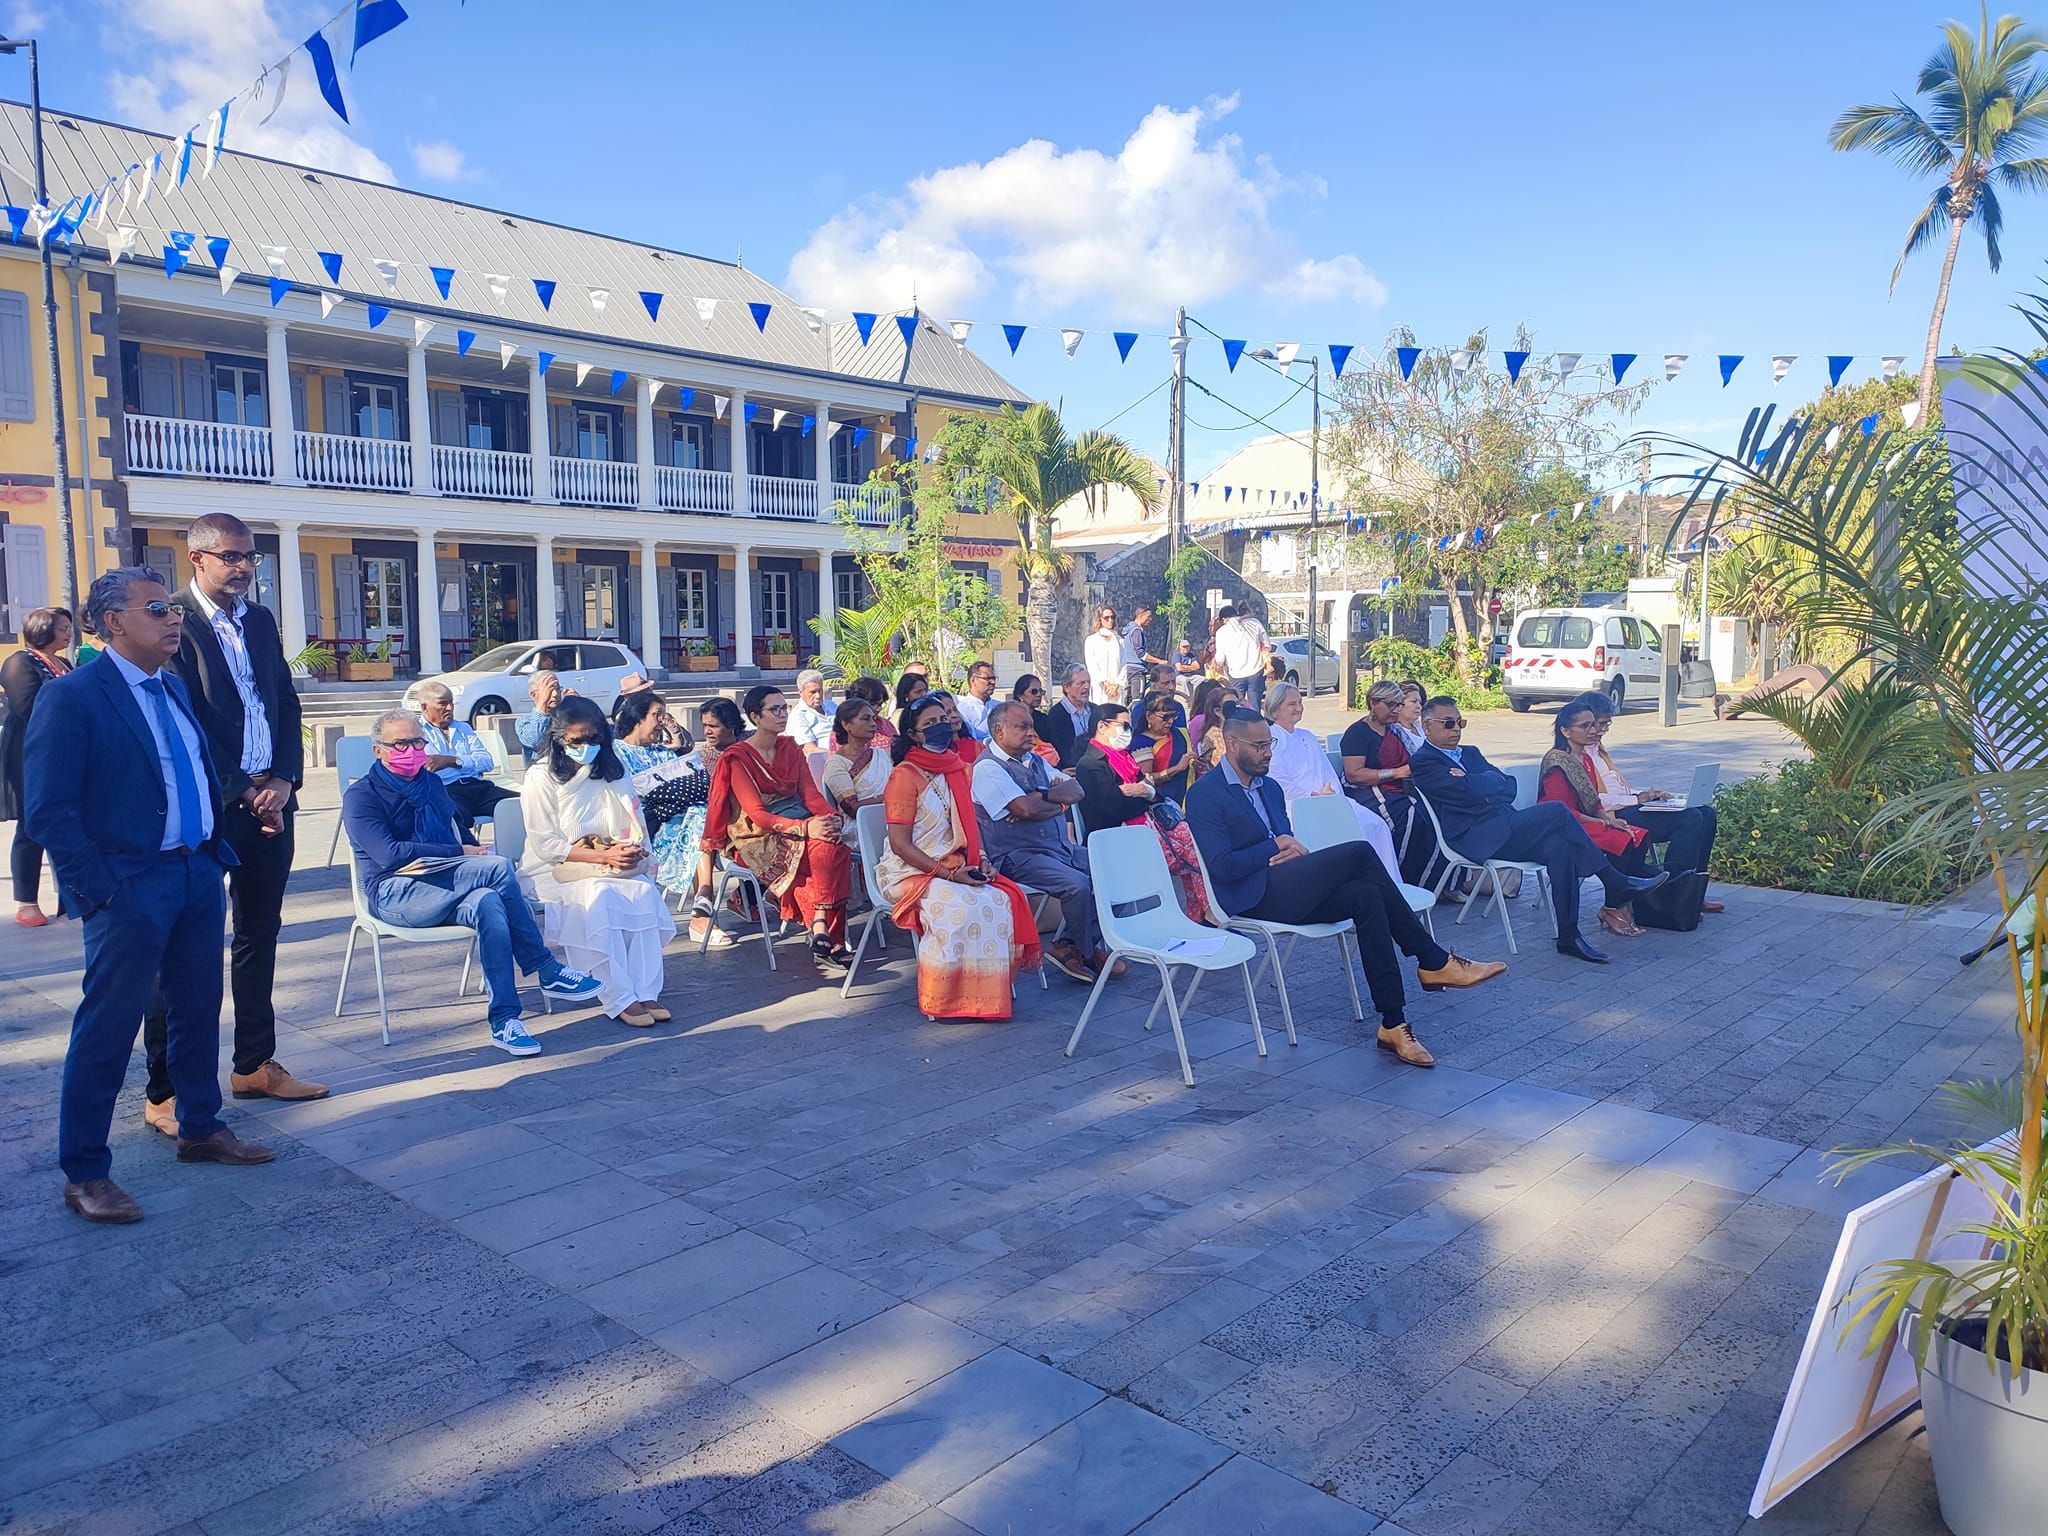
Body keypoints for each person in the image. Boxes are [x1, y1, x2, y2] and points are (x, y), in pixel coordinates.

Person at [25, 568, 274, 1222]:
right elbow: (48, 811)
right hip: (130, 885)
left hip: (196, 875)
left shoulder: (172, 685)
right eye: (158, 608)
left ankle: (201, 1126)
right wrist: (103, 890)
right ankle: (85, 1173)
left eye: (173, 608)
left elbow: (194, 765)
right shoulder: (74, 697)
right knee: (107, 1028)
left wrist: (236, 808)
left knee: (196, 1009)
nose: (175, 619)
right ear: (113, 622)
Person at [1187, 708, 1505, 1068]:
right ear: (1231, 744)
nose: (1269, 753)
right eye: (1259, 746)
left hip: (1285, 883)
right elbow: (1223, 867)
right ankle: (1432, 960)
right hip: (1250, 897)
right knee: (1358, 853)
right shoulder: (1205, 795)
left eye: (1270, 744)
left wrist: (1287, 848)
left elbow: (1287, 842)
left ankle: (1393, 1024)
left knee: (1367, 896)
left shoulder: (1270, 788)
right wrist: (1274, 847)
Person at [143, 514, 324, 1136]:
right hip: (210, 806)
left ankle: (254, 1063)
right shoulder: (173, 622)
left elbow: (283, 699)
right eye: (232, 557)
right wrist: (245, 790)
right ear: (198, 559)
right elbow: (185, 720)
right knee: (181, 948)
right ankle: (163, 1089)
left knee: (260, 931)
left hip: (269, 800)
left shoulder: (260, 619)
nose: (245, 568)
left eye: (251, 558)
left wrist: (283, 780)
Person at [344, 709, 602, 1055]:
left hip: (445, 881)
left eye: (417, 741)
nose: (412, 750)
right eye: (401, 744)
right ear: (379, 750)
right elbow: (389, 855)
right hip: (395, 893)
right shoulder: (362, 795)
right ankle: (544, 967)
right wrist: (460, 851)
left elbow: (457, 828)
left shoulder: (432, 783)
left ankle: (505, 1021)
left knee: (488, 903)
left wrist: (470, 851)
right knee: (496, 869)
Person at [1407, 696, 1670, 963]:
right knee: (1556, 810)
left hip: (1504, 825)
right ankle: (1614, 881)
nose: (1456, 730)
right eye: (1448, 724)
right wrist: (1483, 784)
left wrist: (1476, 782)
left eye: (1460, 722)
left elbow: (1508, 786)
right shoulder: (1424, 761)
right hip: (1476, 837)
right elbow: (1464, 792)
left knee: (1561, 847)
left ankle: (1569, 936)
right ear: (1427, 727)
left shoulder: (1470, 753)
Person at [878, 695, 1041, 1018]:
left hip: (956, 863)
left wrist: (980, 860)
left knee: (998, 901)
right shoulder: (904, 776)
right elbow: (900, 844)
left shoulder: (959, 769)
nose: (941, 727)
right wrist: (949, 874)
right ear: (913, 735)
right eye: (930, 724)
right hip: (909, 870)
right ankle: (947, 1001)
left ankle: (988, 997)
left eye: (943, 720)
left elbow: (968, 829)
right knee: (962, 907)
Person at [520, 697, 677, 1026]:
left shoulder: (611, 767)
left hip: (610, 859)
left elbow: (631, 819)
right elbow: (546, 845)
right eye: (577, 740)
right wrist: (602, 856)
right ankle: (618, 996)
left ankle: (645, 990)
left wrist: (633, 851)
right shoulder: (540, 776)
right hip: (555, 869)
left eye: (594, 738)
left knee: (644, 891)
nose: (586, 746)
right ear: (559, 739)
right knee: (599, 897)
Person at [707, 684, 853, 966]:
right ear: (755, 717)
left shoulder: (790, 748)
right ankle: (830, 939)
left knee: (834, 845)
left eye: (783, 708)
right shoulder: (738, 757)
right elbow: (759, 815)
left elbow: (812, 796)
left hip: (796, 819)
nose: (782, 714)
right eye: (773, 709)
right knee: (817, 852)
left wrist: (828, 819)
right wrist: (806, 829)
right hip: (755, 835)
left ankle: (821, 927)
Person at [1541, 692, 1724, 915]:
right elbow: (1587, 801)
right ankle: (1675, 893)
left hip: (1616, 808)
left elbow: (1609, 792)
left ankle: (1693, 891)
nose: (1599, 730)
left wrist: (1646, 795)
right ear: (1568, 729)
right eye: (1595, 724)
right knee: (1690, 820)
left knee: (1705, 813)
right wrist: (1630, 803)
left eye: (1603, 724)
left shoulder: (1593, 753)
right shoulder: (1568, 758)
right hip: (1612, 813)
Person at [969, 699, 1102, 982]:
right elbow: (1025, 810)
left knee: (1116, 875)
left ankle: (1069, 945)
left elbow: (1076, 789)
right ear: (998, 731)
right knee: (1077, 885)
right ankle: (1087, 951)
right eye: (1022, 726)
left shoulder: (1035, 760)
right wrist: (1049, 800)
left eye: (1030, 725)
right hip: (1017, 855)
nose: (1031, 732)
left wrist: (1040, 798)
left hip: (1057, 847)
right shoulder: (988, 769)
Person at [1073, 702, 1212, 923]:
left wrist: (1142, 792)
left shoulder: (1124, 758)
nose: (1129, 732)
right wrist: (1144, 794)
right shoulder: (1090, 765)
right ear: (1102, 726)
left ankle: (1202, 913)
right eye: (1124, 726)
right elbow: (1113, 809)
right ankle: (1206, 912)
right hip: (1116, 839)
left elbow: (1154, 794)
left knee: (1193, 842)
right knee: (1189, 850)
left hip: (1144, 828)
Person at [1262, 683, 1402, 883]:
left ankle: (1388, 886)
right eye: (1292, 704)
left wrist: (1331, 793)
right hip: (1295, 805)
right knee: (1340, 831)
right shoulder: (1271, 738)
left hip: (1329, 799)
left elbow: (1328, 773)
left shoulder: (1307, 736)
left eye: (1300, 702)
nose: (1299, 707)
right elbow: (1278, 782)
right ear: (1275, 708)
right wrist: (1313, 796)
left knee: (1376, 825)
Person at [1, 605, 74, 925]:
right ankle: (27, 901)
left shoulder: (65, 662)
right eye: (63, 628)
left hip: (67, 751)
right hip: (32, 752)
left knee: (70, 821)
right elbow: (26, 705)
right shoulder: (19, 662)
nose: (69, 633)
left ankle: (70, 896)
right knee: (32, 825)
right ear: (43, 630)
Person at [1340, 679, 1437, 884]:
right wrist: (1395, 773)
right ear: (1373, 703)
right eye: (1390, 704)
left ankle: (1430, 880)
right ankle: (1399, 881)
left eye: (1399, 704)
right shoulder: (1357, 732)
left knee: (1433, 813)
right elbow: (1354, 774)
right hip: (1367, 791)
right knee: (1411, 816)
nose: (1395, 710)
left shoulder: (1396, 730)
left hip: (1399, 787)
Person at [612, 689, 699, 900]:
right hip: (642, 824)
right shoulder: (617, 751)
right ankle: (702, 900)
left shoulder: (664, 752)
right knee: (700, 822)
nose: (662, 721)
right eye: (657, 714)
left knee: (700, 814)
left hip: (677, 818)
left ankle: (703, 900)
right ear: (638, 718)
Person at [415, 680, 517, 842]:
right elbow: (428, 766)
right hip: (446, 790)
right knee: (451, 814)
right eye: (443, 704)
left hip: (477, 787)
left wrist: (452, 761)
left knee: (522, 803)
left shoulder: (463, 728)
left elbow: (487, 761)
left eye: (451, 703)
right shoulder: (417, 732)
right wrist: (468, 763)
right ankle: (474, 855)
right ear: (425, 707)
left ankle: (525, 852)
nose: (449, 708)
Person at [678, 698, 743, 948]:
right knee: (700, 820)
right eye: (704, 726)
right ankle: (703, 900)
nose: (706, 732)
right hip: (719, 826)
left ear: (731, 725)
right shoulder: (703, 757)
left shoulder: (749, 746)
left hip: (752, 820)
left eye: (713, 726)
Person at [822, 696, 891, 846]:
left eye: (873, 719)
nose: (873, 724)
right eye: (865, 719)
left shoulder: (881, 755)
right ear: (846, 725)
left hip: (893, 818)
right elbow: (852, 809)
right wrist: (887, 797)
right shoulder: (836, 764)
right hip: (860, 830)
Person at [1132, 689, 1195, 804]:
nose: (1170, 721)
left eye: (1174, 716)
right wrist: (1177, 769)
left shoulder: (1180, 734)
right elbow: (1146, 780)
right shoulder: (1141, 742)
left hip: (1187, 797)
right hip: (1160, 802)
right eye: (1165, 717)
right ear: (1149, 716)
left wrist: (1196, 765)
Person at [1039, 664, 1096, 770]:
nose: (1087, 687)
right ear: (1066, 687)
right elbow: (1058, 749)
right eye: (1081, 683)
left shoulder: (1095, 710)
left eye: (1088, 682)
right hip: (1072, 769)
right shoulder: (1057, 714)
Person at [1214, 604, 1271, 708]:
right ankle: (1256, 723)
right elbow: (1266, 644)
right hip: (1256, 669)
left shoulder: (1221, 632)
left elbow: (1220, 658)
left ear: (1224, 619)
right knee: (1255, 705)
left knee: (1237, 704)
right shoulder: (1254, 623)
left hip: (1236, 673)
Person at [1010, 673, 1064, 767]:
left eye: (1041, 691)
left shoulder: (1042, 719)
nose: (1039, 695)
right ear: (1020, 695)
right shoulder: (1011, 719)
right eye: (1034, 691)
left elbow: (1054, 745)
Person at [515, 668, 563, 764]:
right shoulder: (523, 722)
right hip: (542, 773)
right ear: (533, 695)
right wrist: (542, 704)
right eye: (549, 690)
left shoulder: (564, 717)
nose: (555, 694)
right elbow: (536, 741)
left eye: (557, 688)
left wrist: (576, 705)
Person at [1121, 604, 1164, 704]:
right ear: (1140, 616)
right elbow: (1141, 654)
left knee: (1130, 700)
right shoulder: (1136, 631)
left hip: (1129, 669)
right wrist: (1159, 661)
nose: (1150, 619)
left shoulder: (1129, 630)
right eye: (1148, 616)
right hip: (1137, 671)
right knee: (1137, 701)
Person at [787, 669, 835, 753]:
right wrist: (838, 755)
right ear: (801, 692)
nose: (818, 696)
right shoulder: (797, 717)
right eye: (813, 692)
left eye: (820, 691)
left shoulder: (832, 705)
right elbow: (809, 750)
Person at [846, 676, 896, 747]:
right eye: (873, 704)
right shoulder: (844, 731)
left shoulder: (886, 725)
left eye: (880, 704)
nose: (878, 709)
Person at [956, 660, 998, 742]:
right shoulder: (962, 710)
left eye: (993, 678)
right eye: (987, 679)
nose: (992, 682)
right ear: (973, 681)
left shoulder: (1000, 706)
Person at [1392, 680, 1428, 753]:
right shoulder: (1394, 732)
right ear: (1399, 703)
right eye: (1414, 701)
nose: (1419, 706)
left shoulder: (1421, 726)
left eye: (1420, 702)